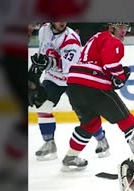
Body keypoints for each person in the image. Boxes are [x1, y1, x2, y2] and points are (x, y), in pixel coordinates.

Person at [61, 22, 134, 171]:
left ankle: (70, 157)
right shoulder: (112, 40)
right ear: (111, 27)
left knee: (90, 124)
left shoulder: (95, 38)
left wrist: (115, 76)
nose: (124, 31)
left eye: (126, 28)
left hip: (74, 85)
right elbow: (110, 64)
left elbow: (101, 62)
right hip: (94, 86)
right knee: (126, 120)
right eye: (121, 27)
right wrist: (121, 76)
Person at [30, 22, 110, 161]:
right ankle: (49, 143)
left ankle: (102, 140)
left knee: (85, 114)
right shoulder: (44, 29)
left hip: (72, 78)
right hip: (53, 78)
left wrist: (47, 62)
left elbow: (67, 67)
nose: (62, 22)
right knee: (43, 106)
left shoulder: (71, 39)